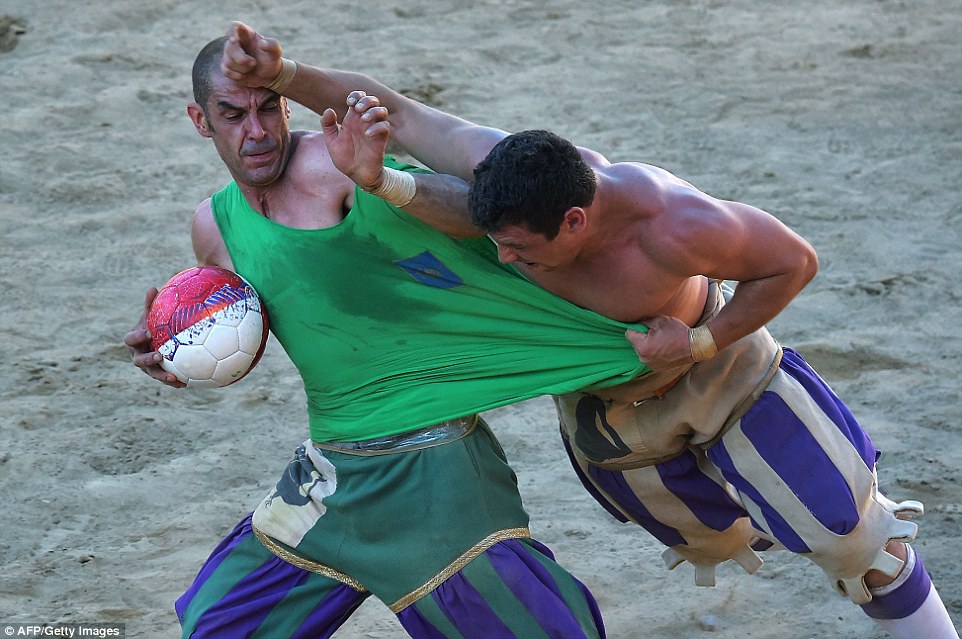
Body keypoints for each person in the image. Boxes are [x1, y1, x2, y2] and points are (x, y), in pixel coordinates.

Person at [218, 21, 960, 639]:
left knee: (852, 537)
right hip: (609, 415)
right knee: (723, 537)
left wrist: (699, 342)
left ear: (574, 222)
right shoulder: (499, 169)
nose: (505, 263)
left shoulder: (671, 222)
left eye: (521, 251)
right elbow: (400, 112)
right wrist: (285, 76)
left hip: (722, 371)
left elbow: (793, 262)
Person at [123, 28, 684, 639]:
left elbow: (478, 211)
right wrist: (176, 350)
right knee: (217, 626)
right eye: (233, 115)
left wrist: (382, 182)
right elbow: (251, 323)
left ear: (286, 107)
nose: (256, 132)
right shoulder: (213, 226)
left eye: (267, 109)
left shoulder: (329, 163)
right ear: (200, 121)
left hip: (433, 474)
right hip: (331, 479)